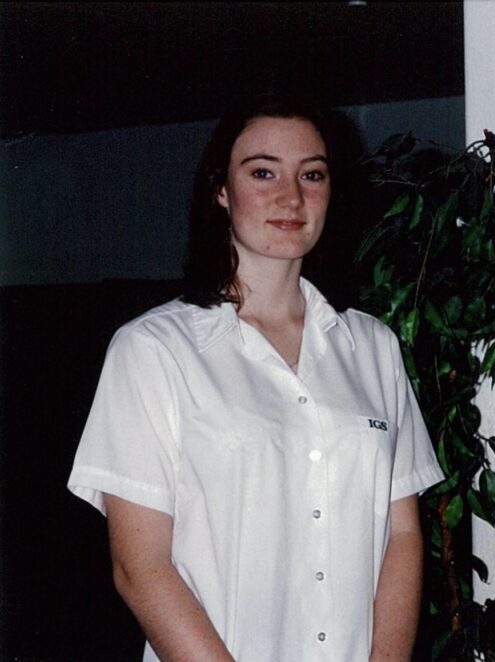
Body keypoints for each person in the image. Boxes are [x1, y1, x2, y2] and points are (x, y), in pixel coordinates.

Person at [67, 92, 443, 661]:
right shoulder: (152, 350)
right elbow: (140, 568)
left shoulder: (373, 346)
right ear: (221, 189)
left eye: (311, 174)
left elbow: (404, 539)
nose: (291, 196)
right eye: (263, 171)